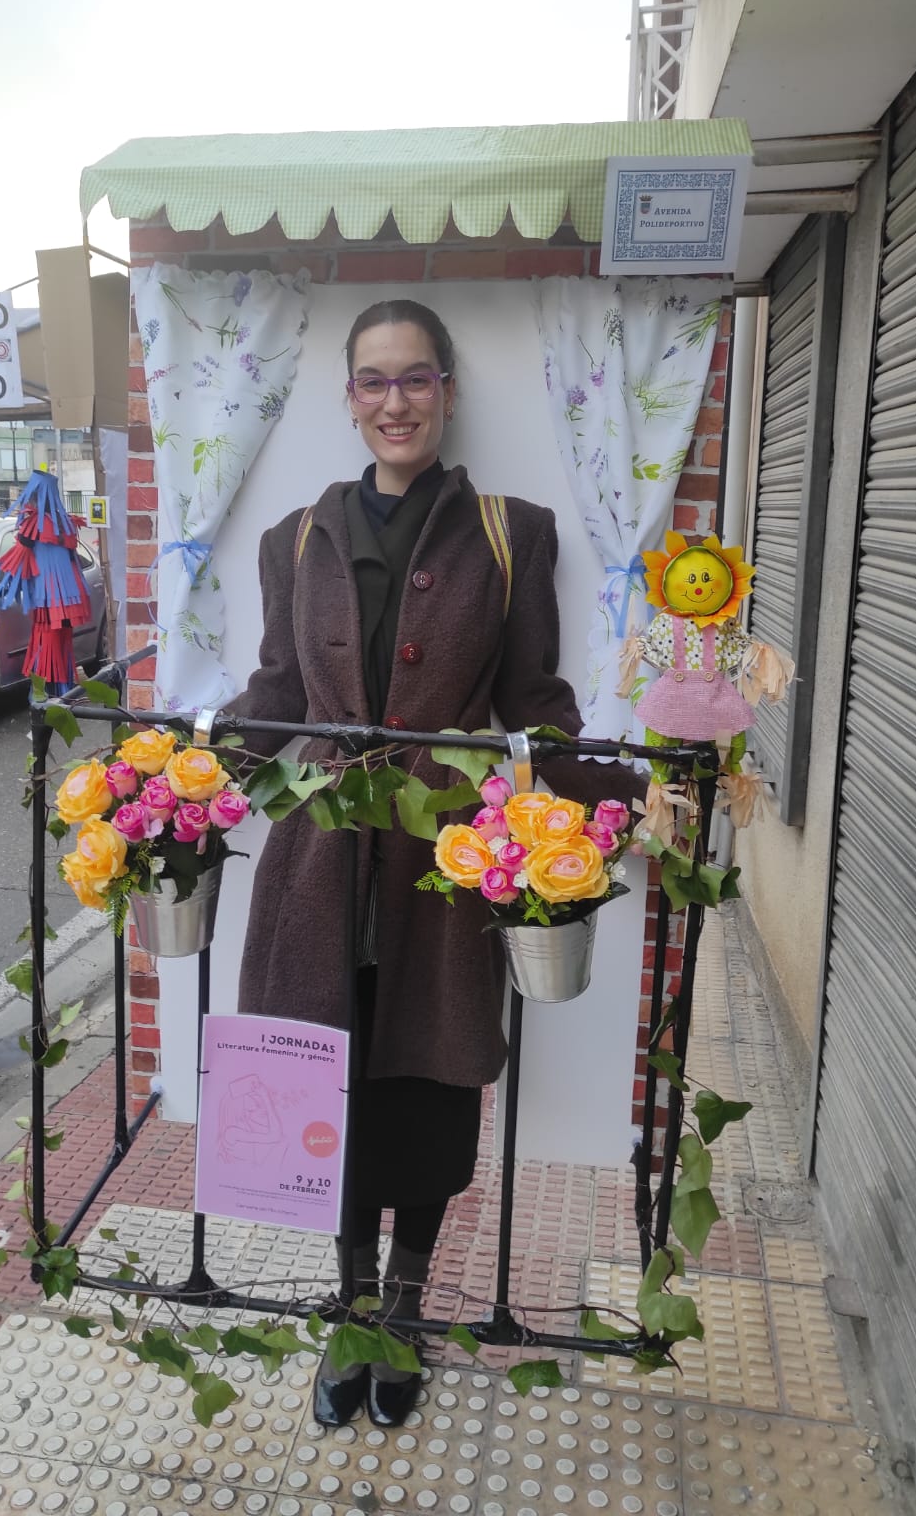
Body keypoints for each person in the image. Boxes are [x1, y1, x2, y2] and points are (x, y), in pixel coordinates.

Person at [225, 299, 640, 1429]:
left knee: (424, 1102)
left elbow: (535, 704)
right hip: (315, 867)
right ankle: (348, 1307)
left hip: (446, 865)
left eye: (415, 379)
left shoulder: (512, 533)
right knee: (326, 1089)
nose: (394, 401)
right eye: (373, 381)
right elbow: (273, 696)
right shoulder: (296, 538)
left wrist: (622, 800)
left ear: (447, 390)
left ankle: (400, 1313)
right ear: (348, 399)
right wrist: (175, 777)